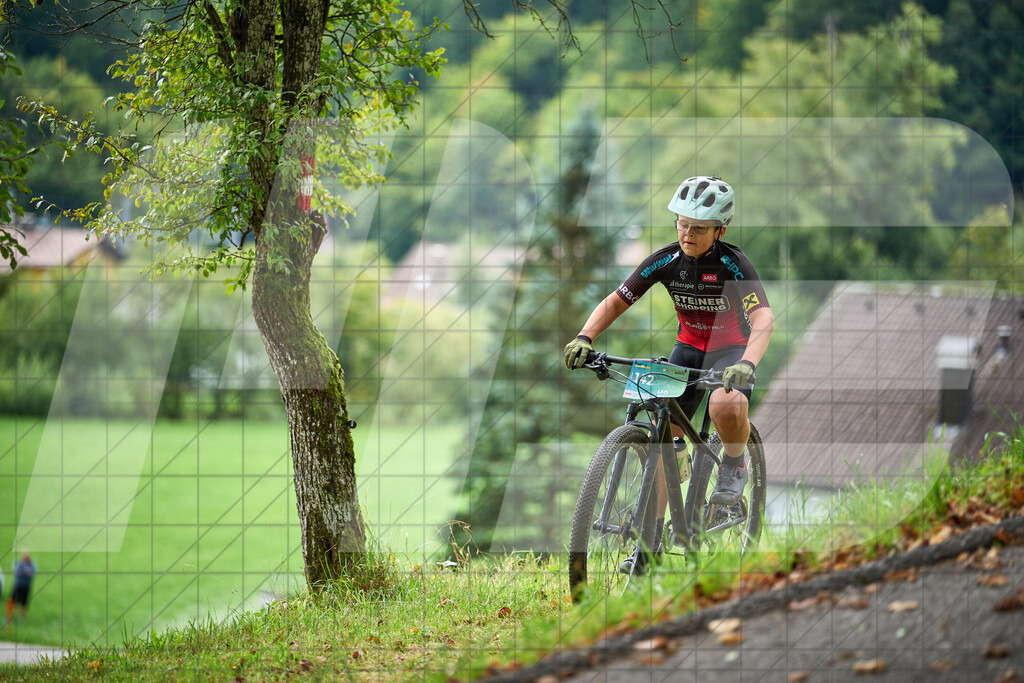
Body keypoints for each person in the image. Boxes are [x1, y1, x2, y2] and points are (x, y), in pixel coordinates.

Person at [563, 175, 773, 574]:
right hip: (688, 350)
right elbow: (617, 300)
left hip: (731, 353)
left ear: (720, 230)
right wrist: (585, 335)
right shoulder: (665, 261)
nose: (687, 233)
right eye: (682, 223)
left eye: (698, 227)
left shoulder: (733, 263)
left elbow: (762, 318)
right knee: (662, 439)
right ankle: (649, 546)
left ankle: (734, 464)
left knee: (725, 403)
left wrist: (746, 362)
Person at [5, 549, 37, 628]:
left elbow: (32, 573)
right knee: (12, 601)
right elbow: (17, 571)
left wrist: (25, 572)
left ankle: (21, 618)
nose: (26, 557)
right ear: (22, 556)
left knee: (24, 603)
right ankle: (8, 618)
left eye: (27, 555)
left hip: (27, 586)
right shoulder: (18, 563)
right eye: (25, 555)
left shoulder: (32, 564)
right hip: (18, 585)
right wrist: (25, 572)